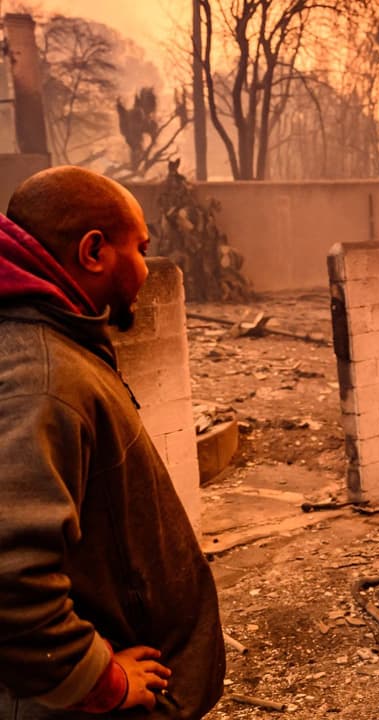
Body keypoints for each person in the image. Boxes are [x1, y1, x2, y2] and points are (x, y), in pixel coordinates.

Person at [0, 166, 224, 718]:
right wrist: (101, 680)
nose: (147, 267)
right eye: (141, 249)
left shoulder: (50, 342)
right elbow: (10, 579)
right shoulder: (42, 378)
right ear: (94, 251)